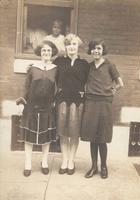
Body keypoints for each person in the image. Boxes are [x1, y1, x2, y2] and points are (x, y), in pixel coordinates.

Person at [81, 39, 124, 179]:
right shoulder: (89, 66)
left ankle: (104, 166)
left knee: (102, 137)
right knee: (93, 137)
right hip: (91, 103)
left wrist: (111, 90)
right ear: (91, 51)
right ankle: (94, 167)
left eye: (98, 48)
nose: (96, 51)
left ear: (102, 50)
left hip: (104, 104)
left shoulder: (110, 65)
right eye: (93, 49)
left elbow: (120, 83)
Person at [16, 40, 58, 177]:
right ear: (40, 53)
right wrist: (22, 104)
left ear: (52, 53)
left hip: (47, 107)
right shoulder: (32, 68)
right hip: (32, 107)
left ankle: (44, 162)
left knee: (46, 137)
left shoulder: (56, 69)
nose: (46, 53)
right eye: (44, 51)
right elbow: (26, 87)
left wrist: (55, 103)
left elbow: (58, 88)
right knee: (29, 136)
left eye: (49, 51)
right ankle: (28, 164)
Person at [55, 33, 90, 175]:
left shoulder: (84, 64)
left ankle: (71, 161)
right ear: (66, 46)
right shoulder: (59, 62)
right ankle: (64, 160)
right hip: (62, 100)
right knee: (63, 133)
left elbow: (91, 80)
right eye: (68, 44)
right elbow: (48, 71)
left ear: (78, 47)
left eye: (74, 44)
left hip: (78, 101)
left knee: (74, 133)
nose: (71, 47)